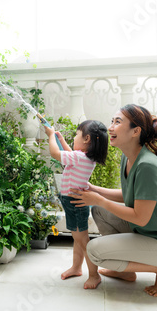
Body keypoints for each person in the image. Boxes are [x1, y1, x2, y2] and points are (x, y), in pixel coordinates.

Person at [68, 104, 157, 297]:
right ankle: (125, 272)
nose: (110, 127)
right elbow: (129, 195)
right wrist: (94, 190)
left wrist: (98, 199)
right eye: (112, 121)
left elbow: (140, 217)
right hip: (149, 232)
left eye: (118, 122)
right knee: (100, 212)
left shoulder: (147, 166)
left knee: (95, 252)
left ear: (136, 131)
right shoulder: (128, 158)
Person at [44, 120, 109, 289]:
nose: (74, 137)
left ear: (87, 139)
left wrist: (51, 136)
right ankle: (76, 267)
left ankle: (94, 275)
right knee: (78, 238)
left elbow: (55, 154)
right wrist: (62, 140)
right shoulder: (83, 158)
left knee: (82, 240)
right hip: (73, 202)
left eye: (77, 134)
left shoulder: (80, 157)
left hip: (74, 203)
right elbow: (70, 154)